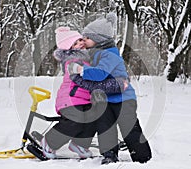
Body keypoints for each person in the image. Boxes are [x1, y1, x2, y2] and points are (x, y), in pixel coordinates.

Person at [68, 13, 152, 164]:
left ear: (99, 39)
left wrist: (81, 70)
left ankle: (142, 156)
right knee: (105, 127)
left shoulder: (110, 54)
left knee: (129, 127)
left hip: (123, 99)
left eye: (87, 38)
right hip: (105, 99)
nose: (84, 40)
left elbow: (100, 74)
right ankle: (109, 155)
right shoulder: (95, 54)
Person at [40, 27, 126, 159]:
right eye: (75, 43)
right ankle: (50, 142)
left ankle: (79, 144)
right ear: (68, 49)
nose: (80, 43)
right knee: (75, 121)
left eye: (80, 40)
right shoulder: (72, 61)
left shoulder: (86, 59)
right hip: (71, 99)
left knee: (92, 119)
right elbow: (86, 78)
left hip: (84, 99)